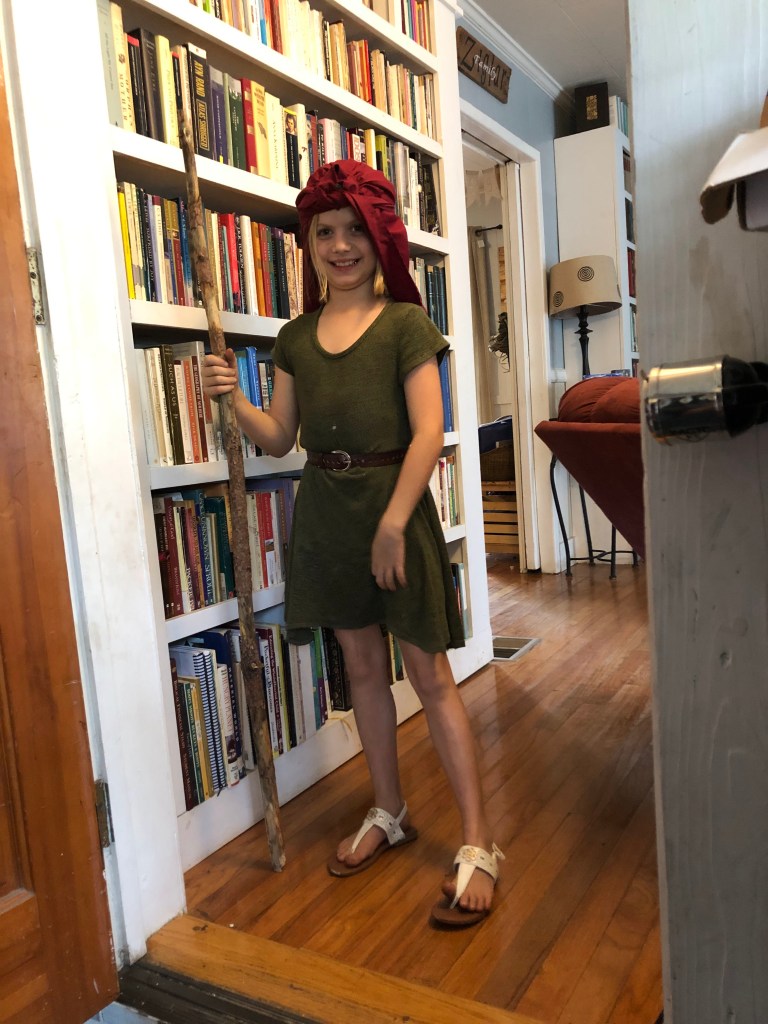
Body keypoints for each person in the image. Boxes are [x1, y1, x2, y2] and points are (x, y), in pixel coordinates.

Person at [202, 158, 503, 928]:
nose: (339, 245)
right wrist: (233, 400)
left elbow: (429, 432)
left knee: (429, 675)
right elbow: (279, 438)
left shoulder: (405, 326)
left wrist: (395, 524)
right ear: (308, 245)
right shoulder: (295, 338)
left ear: (380, 238)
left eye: (354, 230)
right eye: (324, 232)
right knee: (364, 671)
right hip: (328, 515)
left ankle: (478, 843)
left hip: (393, 510)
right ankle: (389, 810)